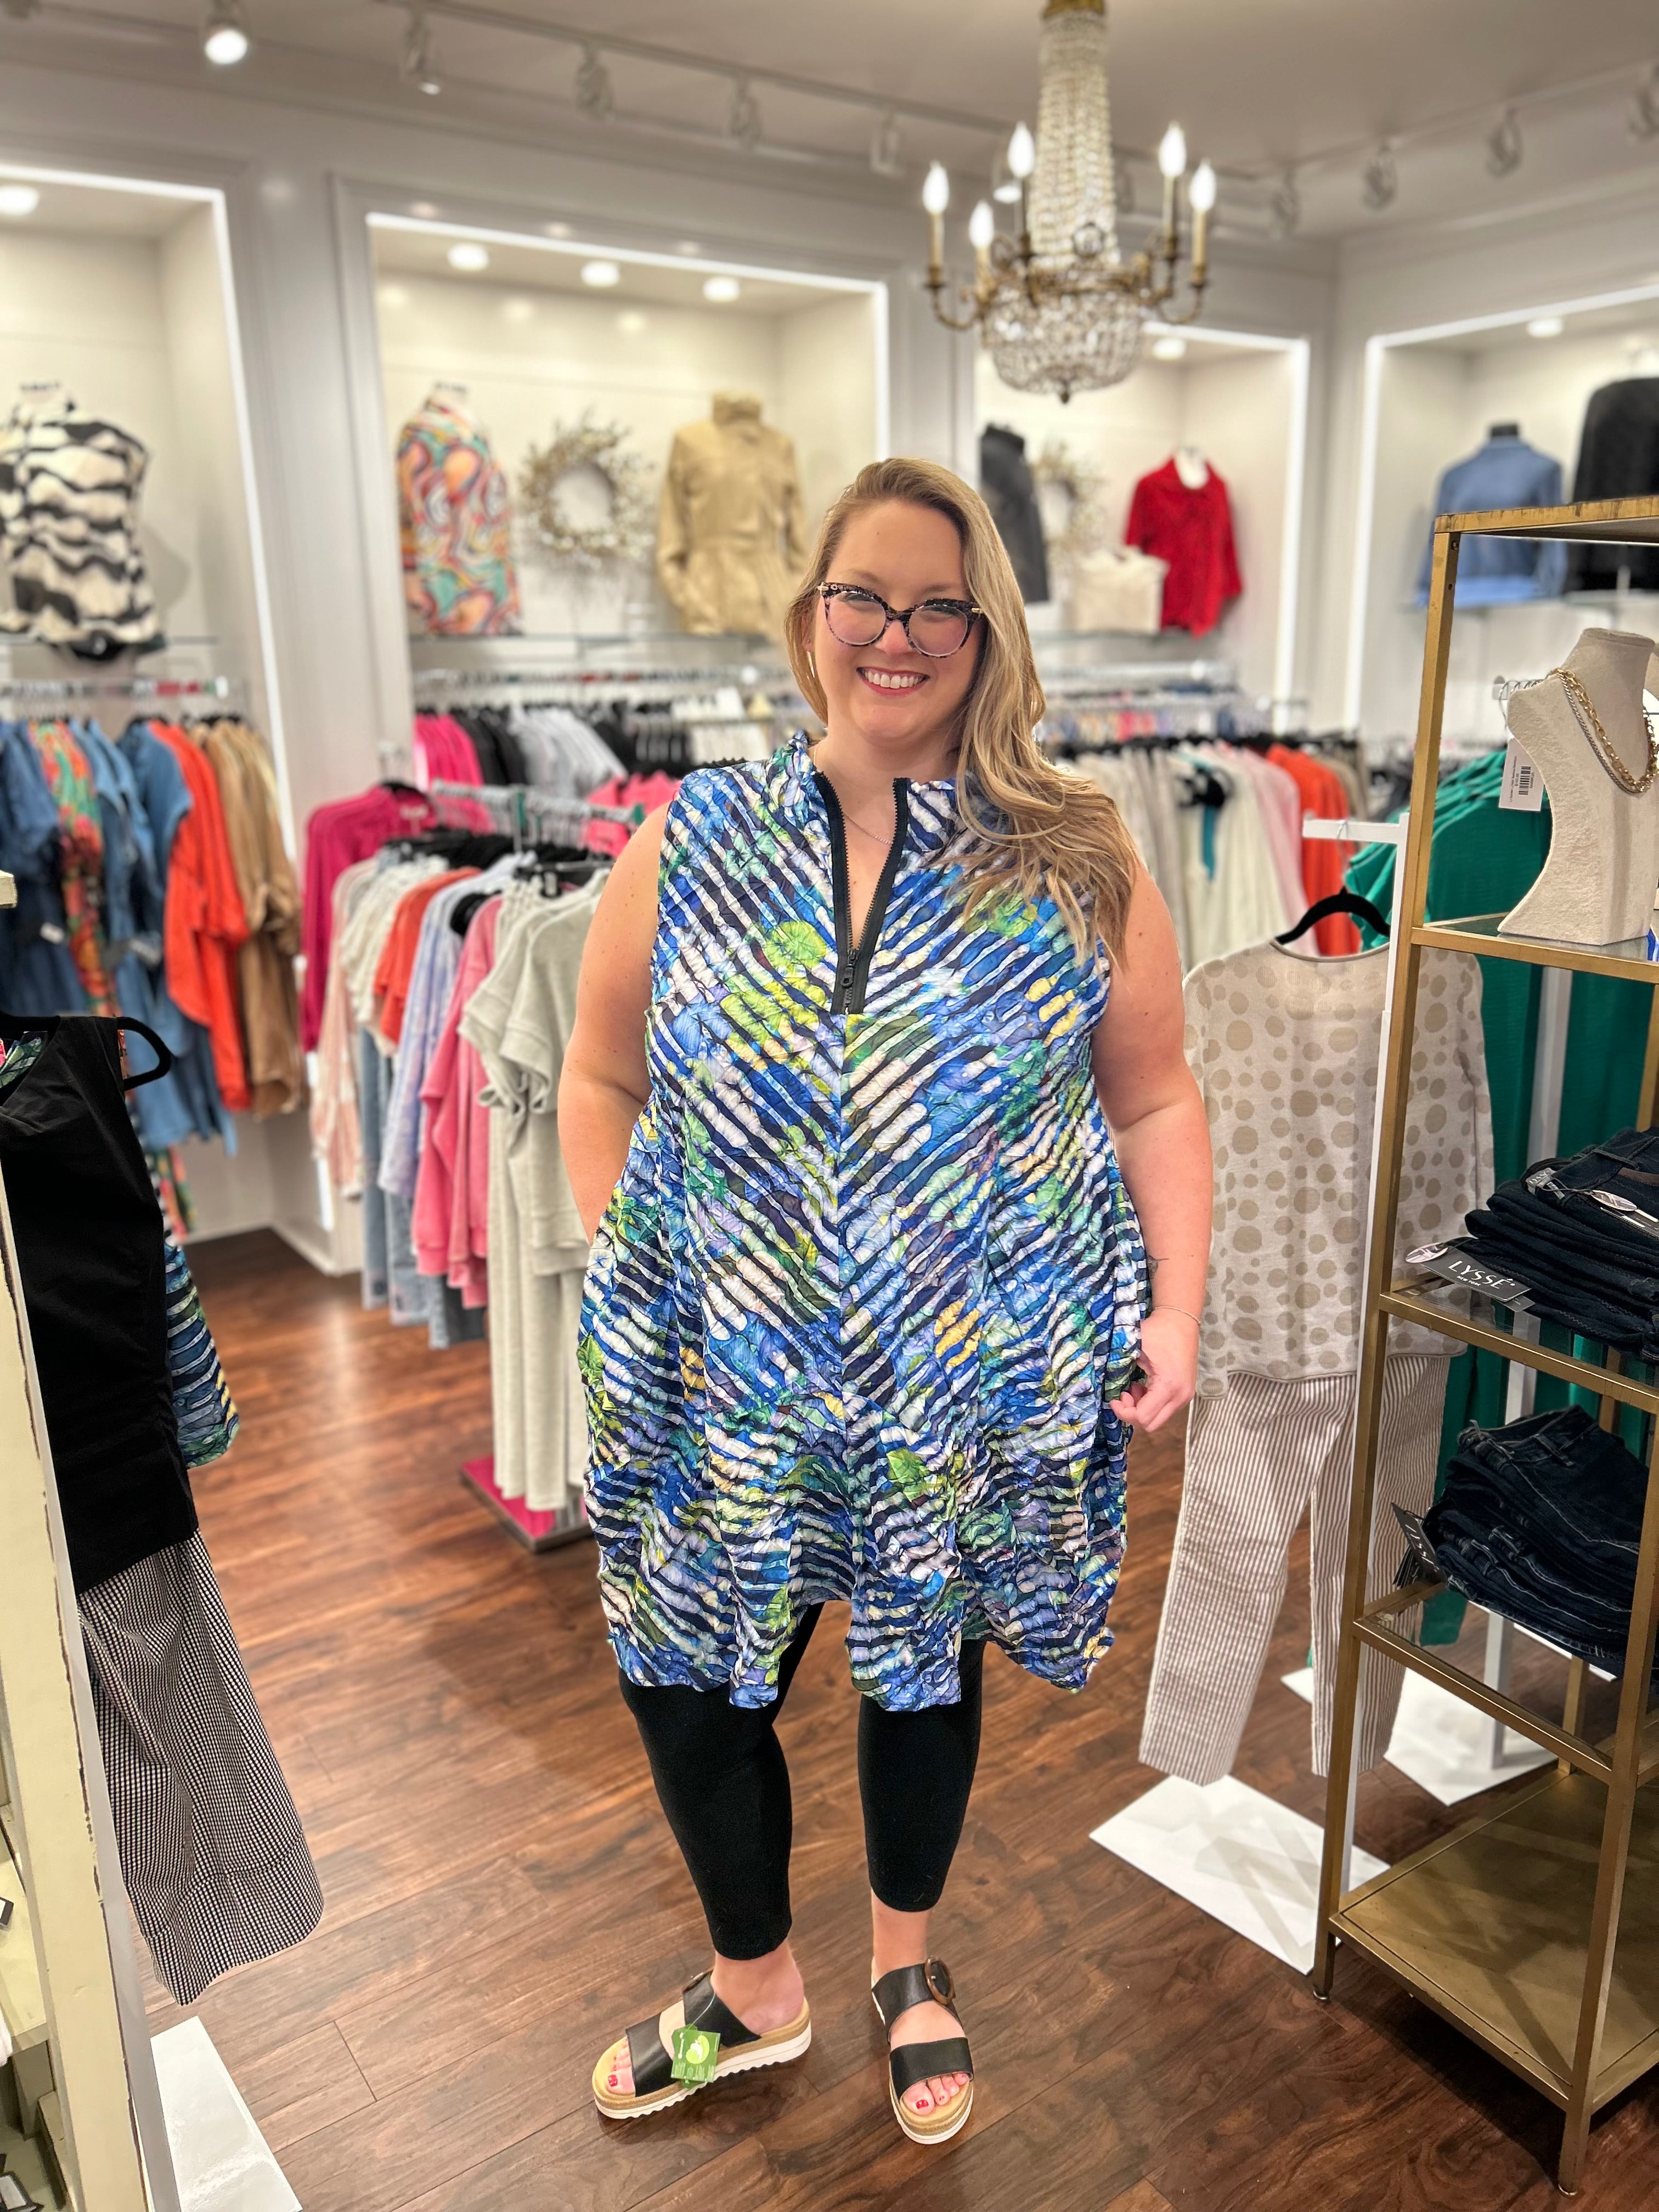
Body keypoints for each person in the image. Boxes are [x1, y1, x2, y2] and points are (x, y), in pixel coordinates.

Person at [560, 456, 1211, 2147]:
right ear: (813, 619)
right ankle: (756, 1984)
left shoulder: (1075, 858)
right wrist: (643, 1268)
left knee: (922, 1668)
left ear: (988, 634)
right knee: (688, 1674)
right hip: (725, 1390)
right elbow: (599, 1074)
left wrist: (1179, 1306)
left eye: (939, 605)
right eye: (866, 596)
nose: (897, 634)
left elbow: (1153, 1095)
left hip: (960, 1381)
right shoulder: (695, 842)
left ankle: (907, 1968)